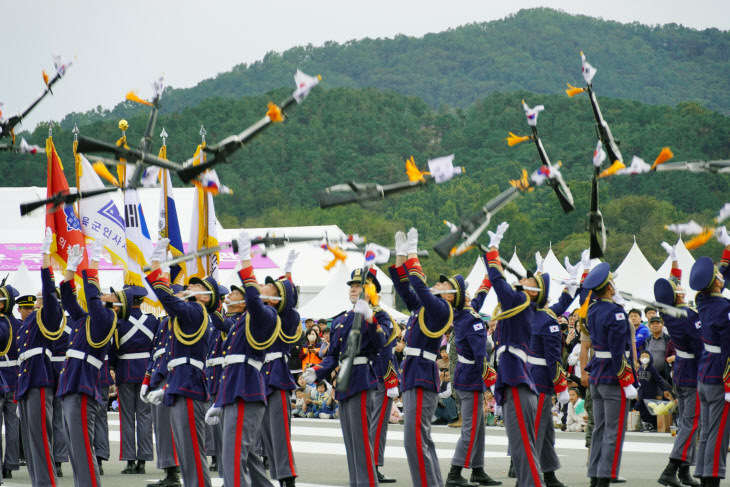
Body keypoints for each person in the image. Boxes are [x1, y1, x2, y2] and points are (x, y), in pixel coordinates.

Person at [303, 260, 390, 487]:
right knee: (351, 443)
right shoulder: (341, 320)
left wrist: (369, 315)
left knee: (361, 442)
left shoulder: (380, 316)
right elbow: (332, 355)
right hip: (344, 383)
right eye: (351, 285)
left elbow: (382, 342)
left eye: (359, 285)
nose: (352, 288)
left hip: (361, 379)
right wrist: (318, 371)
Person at [205, 231, 281, 487]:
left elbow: (253, 298)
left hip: (245, 393)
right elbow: (229, 363)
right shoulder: (243, 321)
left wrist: (246, 259)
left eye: (267, 287)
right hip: (234, 392)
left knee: (233, 458)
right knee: (243, 457)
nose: (261, 287)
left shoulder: (266, 316)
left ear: (274, 298)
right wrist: (219, 399)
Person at [388, 228, 455, 487]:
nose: (437, 284)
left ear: (450, 295)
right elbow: (404, 286)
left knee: (415, 440)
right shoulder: (423, 308)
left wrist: (413, 252)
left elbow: (418, 284)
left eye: (443, 284)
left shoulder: (440, 308)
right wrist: (400, 256)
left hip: (422, 378)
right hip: (414, 376)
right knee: (421, 439)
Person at [145, 237, 214, 487]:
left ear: (205, 298)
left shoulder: (195, 312)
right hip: (179, 383)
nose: (188, 287)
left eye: (196, 288)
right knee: (185, 450)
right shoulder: (184, 317)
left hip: (190, 385)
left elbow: (168, 300)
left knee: (193, 451)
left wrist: (157, 266)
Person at [57, 240, 118, 487]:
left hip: (82, 387)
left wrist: (93, 262)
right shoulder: (87, 320)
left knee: (82, 448)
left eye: (109, 294)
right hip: (72, 383)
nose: (103, 293)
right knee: (75, 449)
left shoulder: (106, 319)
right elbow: (68, 301)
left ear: (115, 304)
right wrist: (70, 271)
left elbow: (93, 298)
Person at [486, 222, 543, 487]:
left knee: (521, 445)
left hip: (517, 382)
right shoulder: (519, 306)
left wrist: (493, 250)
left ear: (534, 292)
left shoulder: (520, 302)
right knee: (520, 444)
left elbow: (498, 281)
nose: (522, 278)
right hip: (513, 380)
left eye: (528, 279)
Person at [526, 250, 585, 487]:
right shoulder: (547, 320)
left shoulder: (530, 313)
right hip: (541, 380)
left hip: (530, 377)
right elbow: (553, 361)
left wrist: (570, 284)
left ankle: (548, 474)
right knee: (538, 431)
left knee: (545, 431)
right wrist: (561, 387)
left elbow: (559, 304)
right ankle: (530, 475)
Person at [582, 262, 638, 487]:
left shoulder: (593, 309)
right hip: (613, 377)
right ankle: (605, 477)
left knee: (600, 428)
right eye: (612, 283)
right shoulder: (616, 313)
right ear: (608, 287)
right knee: (613, 430)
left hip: (597, 374)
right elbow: (618, 352)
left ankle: (595, 474)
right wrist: (627, 381)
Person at [14, 228, 63, 487]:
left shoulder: (49, 315)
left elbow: (51, 293)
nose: (39, 299)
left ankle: (46, 483)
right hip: (26, 381)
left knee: (42, 438)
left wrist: (45, 260)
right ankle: (38, 482)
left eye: (41, 297)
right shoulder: (31, 318)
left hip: (39, 378)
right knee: (32, 438)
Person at [445, 259, 500, 487]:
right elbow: (481, 357)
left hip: (466, 378)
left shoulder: (464, 313)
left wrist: (491, 270)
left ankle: (477, 470)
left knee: (478, 429)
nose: (469, 294)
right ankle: (455, 473)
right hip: (470, 380)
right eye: (465, 291)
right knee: (471, 429)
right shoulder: (472, 319)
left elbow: (480, 295)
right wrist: (493, 385)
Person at [654, 243, 703, 487]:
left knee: (688, 422)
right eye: (679, 287)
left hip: (681, 372)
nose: (681, 285)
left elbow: (670, 285)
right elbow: (701, 349)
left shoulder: (669, 310)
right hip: (693, 373)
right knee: (690, 423)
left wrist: (674, 261)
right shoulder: (689, 317)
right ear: (680, 295)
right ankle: (671, 469)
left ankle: (684, 472)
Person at [687, 233, 730, 487]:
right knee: (718, 432)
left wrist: (727, 250)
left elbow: (721, 279)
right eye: (718, 276)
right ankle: (712, 476)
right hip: (719, 376)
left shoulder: (702, 300)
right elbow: (728, 350)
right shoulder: (724, 308)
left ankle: (704, 473)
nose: (721, 278)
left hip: (704, 373)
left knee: (707, 431)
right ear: (715, 284)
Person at [259, 251, 302, 487]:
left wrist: (287, 276)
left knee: (280, 432)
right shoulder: (262, 314)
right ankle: (278, 474)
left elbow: (289, 302)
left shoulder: (288, 316)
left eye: (271, 289)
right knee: (265, 433)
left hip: (276, 374)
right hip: (259, 376)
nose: (265, 289)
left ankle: (288, 477)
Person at [109, 284, 158, 475]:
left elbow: (113, 350)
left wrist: (113, 366)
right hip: (146, 371)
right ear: (143, 301)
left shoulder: (119, 322)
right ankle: (144, 460)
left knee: (127, 418)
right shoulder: (153, 321)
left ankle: (129, 460)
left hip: (125, 372)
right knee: (145, 417)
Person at [142, 284, 184, 487]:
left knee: (172, 427)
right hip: (159, 376)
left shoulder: (183, 322)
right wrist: (146, 379)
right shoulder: (163, 323)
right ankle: (169, 471)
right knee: (161, 428)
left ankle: (175, 472)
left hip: (174, 376)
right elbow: (155, 352)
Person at [363, 267, 400, 484]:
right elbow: (385, 348)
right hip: (377, 377)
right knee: (377, 426)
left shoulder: (378, 315)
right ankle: (373, 467)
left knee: (370, 424)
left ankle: (368, 466)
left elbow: (385, 346)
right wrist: (389, 379)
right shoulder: (376, 315)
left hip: (370, 376)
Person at [0, 290, 23, 481]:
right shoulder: (19, 325)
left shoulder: (2, 324)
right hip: (15, 377)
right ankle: (10, 464)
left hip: (1, 377)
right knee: (12, 424)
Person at [635, 350, 672, 432]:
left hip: (650, 393)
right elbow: (637, 382)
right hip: (641, 393)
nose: (644, 358)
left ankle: (651, 424)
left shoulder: (652, 369)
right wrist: (636, 393)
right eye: (642, 356)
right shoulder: (639, 369)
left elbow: (659, 380)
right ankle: (645, 424)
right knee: (642, 409)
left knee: (649, 410)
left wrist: (664, 390)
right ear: (640, 358)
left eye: (646, 356)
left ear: (650, 358)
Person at [643, 316, 673, 383]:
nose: (655, 325)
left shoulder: (668, 339)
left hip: (665, 375)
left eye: (657, 323)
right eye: (652, 324)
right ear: (650, 326)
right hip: (651, 374)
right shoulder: (648, 340)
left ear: (662, 325)